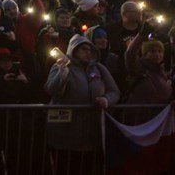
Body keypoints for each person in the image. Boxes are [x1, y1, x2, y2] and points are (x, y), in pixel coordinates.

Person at [45, 34, 120, 172]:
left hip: (92, 133)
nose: (88, 52)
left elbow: (114, 91)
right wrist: (62, 73)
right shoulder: (60, 66)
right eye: (84, 49)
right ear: (74, 50)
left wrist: (106, 100)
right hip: (66, 133)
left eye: (90, 50)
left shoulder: (99, 68)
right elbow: (52, 90)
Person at [124, 32, 172, 104]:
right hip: (141, 112)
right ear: (145, 54)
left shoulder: (162, 73)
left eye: (160, 51)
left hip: (160, 113)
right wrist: (143, 33)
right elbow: (130, 54)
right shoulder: (139, 68)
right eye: (152, 51)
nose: (157, 54)